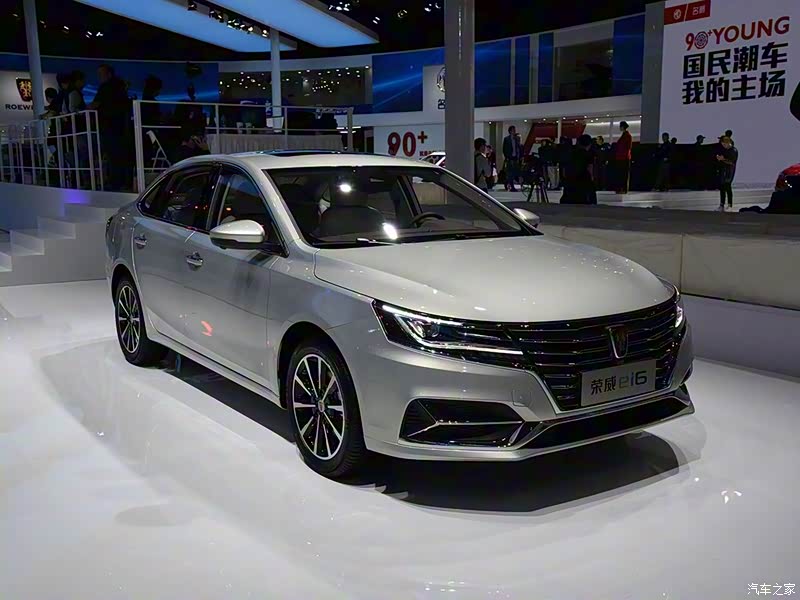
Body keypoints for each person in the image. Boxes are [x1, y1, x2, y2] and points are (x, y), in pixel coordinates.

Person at [89, 64, 131, 190]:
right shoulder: (120, 87)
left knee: (113, 155)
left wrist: (83, 110)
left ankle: (115, 182)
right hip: (121, 126)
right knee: (119, 155)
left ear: (108, 74)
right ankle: (123, 181)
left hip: (109, 126)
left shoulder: (106, 87)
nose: (99, 77)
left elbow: (96, 103)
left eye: (101, 74)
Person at [561, 134, 595, 204]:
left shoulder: (571, 153)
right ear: (589, 144)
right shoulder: (588, 155)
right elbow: (590, 168)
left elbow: (564, 167)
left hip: (571, 181)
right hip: (583, 180)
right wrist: (592, 178)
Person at [716, 136, 738, 211]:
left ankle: (730, 205)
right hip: (724, 171)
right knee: (722, 187)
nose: (723, 146)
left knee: (728, 187)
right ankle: (721, 205)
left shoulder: (733, 150)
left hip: (730, 171)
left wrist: (723, 159)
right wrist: (720, 159)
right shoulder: (725, 150)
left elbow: (732, 162)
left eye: (724, 144)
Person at [614, 120, 632, 194]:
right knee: (621, 174)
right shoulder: (625, 135)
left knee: (623, 174)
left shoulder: (627, 136)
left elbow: (628, 147)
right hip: (621, 157)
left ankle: (623, 188)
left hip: (624, 157)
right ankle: (621, 188)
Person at [502, 126, 522, 191]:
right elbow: (504, 149)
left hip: (515, 158)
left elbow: (518, 148)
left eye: (514, 130)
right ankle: (511, 186)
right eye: (513, 130)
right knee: (510, 172)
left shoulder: (516, 138)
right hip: (509, 158)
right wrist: (507, 157)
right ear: (510, 131)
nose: (514, 131)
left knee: (514, 172)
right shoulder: (506, 139)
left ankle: (507, 182)